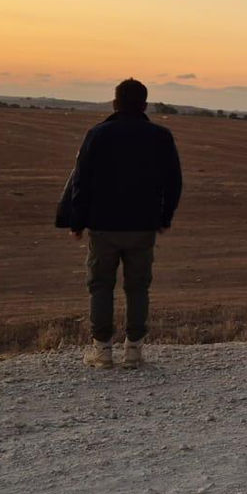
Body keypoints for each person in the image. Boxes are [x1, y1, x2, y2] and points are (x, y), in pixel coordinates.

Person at [55, 78, 183, 369]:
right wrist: (165, 218)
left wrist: (76, 221)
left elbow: (81, 182)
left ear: (115, 103)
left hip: (103, 226)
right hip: (143, 226)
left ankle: (102, 351)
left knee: (100, 286)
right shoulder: (161, 136)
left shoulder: (98, 134)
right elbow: (174, 182)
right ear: (145, 105)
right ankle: (134, 351)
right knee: (138, 288)